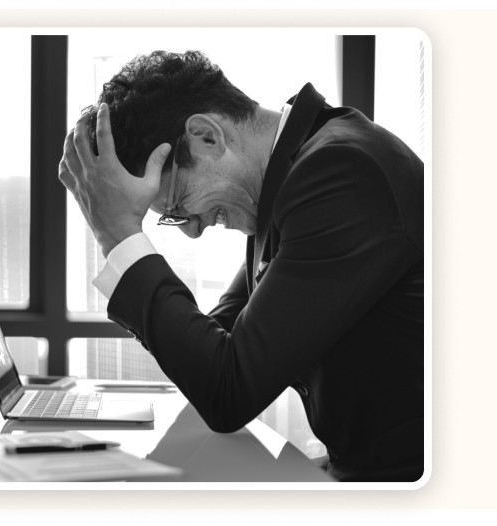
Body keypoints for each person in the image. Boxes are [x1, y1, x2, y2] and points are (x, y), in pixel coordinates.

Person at [58, 50, 424, 482]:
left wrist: (117, 233)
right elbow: (223, 340)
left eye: (178, 206)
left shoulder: (340, 174)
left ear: (205, 137)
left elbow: (227, 390)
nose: (192, 233)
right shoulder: (289, 180)